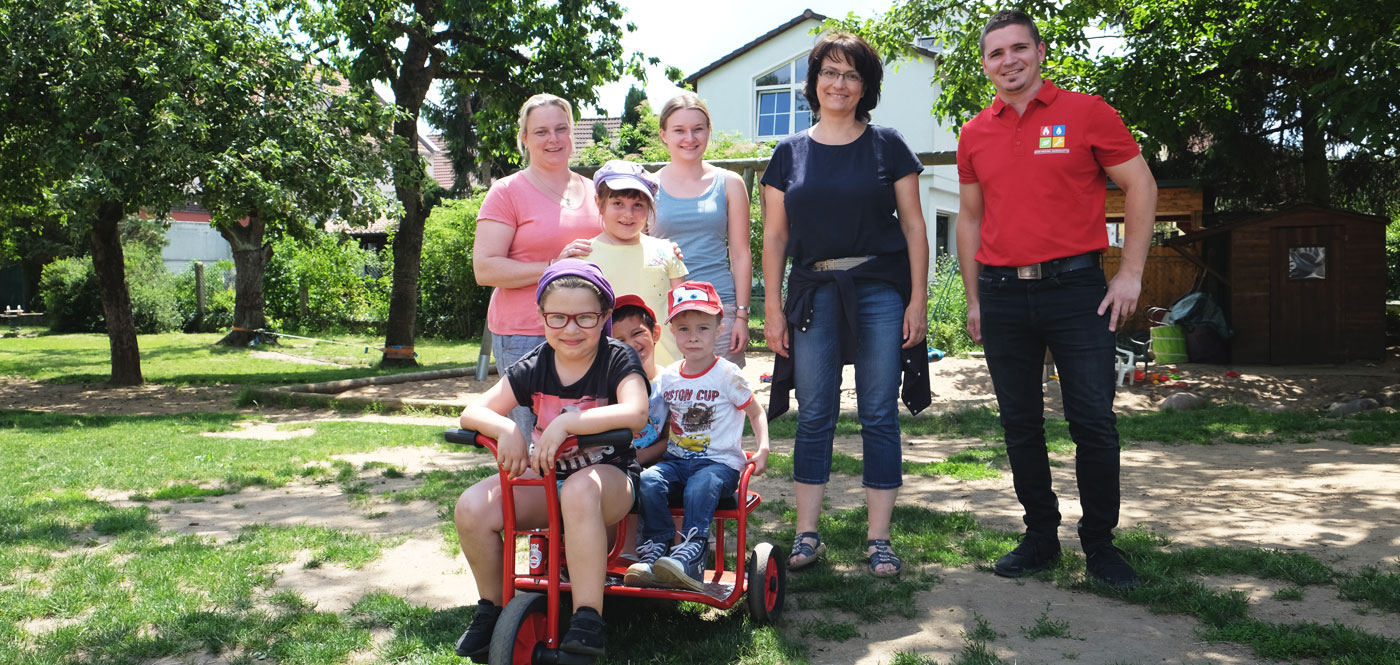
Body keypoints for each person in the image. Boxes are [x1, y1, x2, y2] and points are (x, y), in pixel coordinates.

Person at [955, 9, 1158, 589]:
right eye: (996, 53)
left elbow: (1140, 185)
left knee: (1092, 419)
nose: (1009, 61)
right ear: (986, 64)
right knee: (1020, 422)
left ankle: (1100, 545)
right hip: (1000, 292)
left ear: (1040, 52)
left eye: (1019, 48)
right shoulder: (974, 133)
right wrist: (973, 297)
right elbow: (969, 219)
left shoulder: (1087, 112)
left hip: (1076, 289)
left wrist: (1131, 274)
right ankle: (1040, 537)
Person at [760, 32, 931, 578]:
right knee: (815, 413)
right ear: (814, 82)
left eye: (852, 74)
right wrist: (772, 309)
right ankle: (806, 534)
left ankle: (879, 539)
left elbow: (915, 227)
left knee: (879, 411)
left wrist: (919, 300)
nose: (839, 83)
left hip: (880, 286)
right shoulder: (788, 153)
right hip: (814, 291)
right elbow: (774, 237)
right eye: (829, 72)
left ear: (865, 87)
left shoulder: (888, 146)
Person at [452, 260, 650, 660]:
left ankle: (588, 619)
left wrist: (568, 423)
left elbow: (636, 412)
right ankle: (493, 610)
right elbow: (473, 412)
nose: (571, 329)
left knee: (578, 490)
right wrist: (507, 429)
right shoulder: (536, 363)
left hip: (610, 482)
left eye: (585, 318)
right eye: (558, 317)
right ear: (542, 317)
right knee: (471, 507)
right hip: (547, 480)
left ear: (604, 317)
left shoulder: (617, 358)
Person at [473, 94, 603, 441]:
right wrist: (552, 267)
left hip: (588, 331)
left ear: (572, 133)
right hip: (525, 333)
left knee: (583, 440)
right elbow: (484, 269)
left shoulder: (595, 191)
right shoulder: (506, 192)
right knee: (533, 439)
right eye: (541, 132)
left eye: (561, 129)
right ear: (525, 139)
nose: (553, 139)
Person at [627, 280, 770, 591]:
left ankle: (691, 554)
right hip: (678, 463)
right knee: (649, 480)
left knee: (700, 485)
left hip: (719, 465)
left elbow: (756, 412)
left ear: (719, 329)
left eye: (703, 328)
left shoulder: (727, 374)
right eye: (684, 329)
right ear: (672, 332)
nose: (693, 337)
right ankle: (657, 549)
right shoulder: (669, 377)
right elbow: (654, 418)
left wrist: (763, 448)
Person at [651, 92, 754, 366]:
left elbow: (741, 254)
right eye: (679, 130)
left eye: (698, 129)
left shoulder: (730, 183)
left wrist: (741, 316)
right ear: (664, 135)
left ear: (709, 131)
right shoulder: (647, 187)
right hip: (665, 310)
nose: (690, 138)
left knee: (721, 389)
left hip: (718, 310)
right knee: (666, 390)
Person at [585, 159, 689, 367]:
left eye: (638, 205)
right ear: (599, 203)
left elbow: (684, 315)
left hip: (667, 370)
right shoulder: (583, 256)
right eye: (618, 203)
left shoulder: (666, 251)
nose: (628, 214)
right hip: (607, 372)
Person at [611, 293, 669, 464]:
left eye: (637, 333)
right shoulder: (609, 386)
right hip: (616, 467)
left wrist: (638, 459)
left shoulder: (671, 382)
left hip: (659, 468)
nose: (630, 345)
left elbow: (671, 438)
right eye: (620, 340)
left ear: (655, 333)